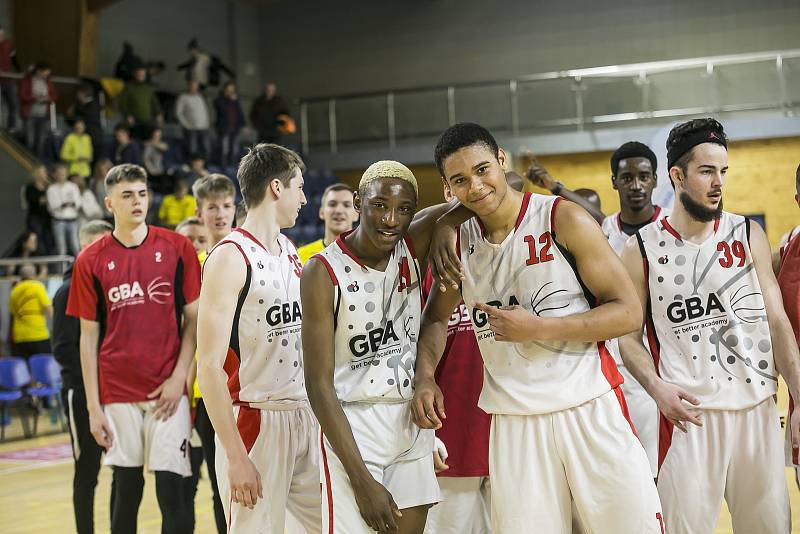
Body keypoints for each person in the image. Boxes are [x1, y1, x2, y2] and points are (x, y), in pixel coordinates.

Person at [413, 123, 662, 533]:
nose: (475, 187)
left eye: (482, 170)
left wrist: (539, 329)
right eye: (460, 181)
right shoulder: (459, 242)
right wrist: (425, 376)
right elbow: (436, 318)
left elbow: (629, 313)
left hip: (588, 408)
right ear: (447, 187)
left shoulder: (562, 218)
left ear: (501, 161)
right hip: (514, 424)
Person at [618, 118, 798, 534]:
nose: (719, 183)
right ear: (677, 176)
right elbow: (627, 338)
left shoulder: (746, 232)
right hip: (688, 418)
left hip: (757, 412)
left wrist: (799, 397)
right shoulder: (640, 248)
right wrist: (657, 389)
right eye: (706, 171)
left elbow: (776, 318)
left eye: (723, 172)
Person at [302, 159, 478, 533]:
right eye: (379, 205)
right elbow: (318, 385)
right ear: (357, 201)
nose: (391, 219)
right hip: (353, 423)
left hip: (410, 420)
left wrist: (447, 222)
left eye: (403, 209)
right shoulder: (321, 271)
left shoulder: (411, 245)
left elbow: (499, 185)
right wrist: (361, 480)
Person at [66, 163, 201, 534]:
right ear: (110, 203)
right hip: (118, 391)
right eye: (127, 195)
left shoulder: (177, 247)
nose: (137, 201)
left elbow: (194, 321)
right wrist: (94, 407)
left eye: (142, 193)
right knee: (127, 489)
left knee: (173, 490)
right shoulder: (90, 260)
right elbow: (88, 339)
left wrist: (179, 379)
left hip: (167, 391)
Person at [197, 144, 321, 533]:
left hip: (305, 414)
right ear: (276, 188)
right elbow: (209, 367)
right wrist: (236, 456)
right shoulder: (229, 258)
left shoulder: (288, 249)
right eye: (299, 187)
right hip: (258, 420)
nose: (304, 198)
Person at [183, 173, 238, 533]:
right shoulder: (193, 266)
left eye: (226, 205)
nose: (219, 213)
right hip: (207, 391)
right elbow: (187, 335)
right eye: (212, 207)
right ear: (199, 211)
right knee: (222, 485)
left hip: (250, 386)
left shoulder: (250, 254)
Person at [52, 219, 113, 534]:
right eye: (94, 246)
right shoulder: (67, 291)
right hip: (81, 393)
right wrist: (93, 384)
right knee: (87, 472)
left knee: (124, 468)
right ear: (82, 249)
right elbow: (63, 350)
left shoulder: (109, 288)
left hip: (114, 392)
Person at [521, 152, 606, 223]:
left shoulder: (608, 231)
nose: (583, 216)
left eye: (588, 209)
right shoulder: (561, 234)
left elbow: (599, 218)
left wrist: (555, 187)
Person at [297, 183, 359, 264]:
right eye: (332, 204)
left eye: (346, 205)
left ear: (356, 214)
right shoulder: (300, 256)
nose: (338, 211)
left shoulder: (368, 256)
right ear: (321, 212)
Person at [9, 262, 52, 360]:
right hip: (38, 335)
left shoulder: (14, 290)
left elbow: (13, 312)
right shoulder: (37, 286)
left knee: (23, 371)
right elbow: (49, 309)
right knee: (42, 369)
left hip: (19, 337)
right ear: (34, 274)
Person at [20, 62, 56, 159]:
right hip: (30, 115)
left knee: (40, 142)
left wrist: (48, 98)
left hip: (43, 115)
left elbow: (54, 95)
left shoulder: (48, 82)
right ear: (39, 70)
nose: (46, 75)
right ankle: (27, 161)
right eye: (45, 72)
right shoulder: (28, 80)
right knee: (29, 141)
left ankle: (38, 163)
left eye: (48, 73)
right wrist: (34, 98)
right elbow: (23, 95)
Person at [117, 65, 162, 140]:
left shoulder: (148, 88)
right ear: (135, 75)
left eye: (142, 75)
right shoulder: (128, 87)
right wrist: (127, 115)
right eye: (139, 75)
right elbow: (122, 103)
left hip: (146, 120)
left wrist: (159, 113)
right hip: (133, 120)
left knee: (147, 140)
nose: (141, 77)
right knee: (134, 141)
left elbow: (155, 102)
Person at [47, 164, 82, 256]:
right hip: (58, 221)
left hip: (72, 220)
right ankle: (62, 270)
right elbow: (51, 207)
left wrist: (72, 204)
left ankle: (81, 269)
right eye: (59, 173)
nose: (61, 175)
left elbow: (78, 203)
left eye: (63, 173)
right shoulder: (51, 189)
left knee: (75, 247)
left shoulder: (73, 187)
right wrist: (62, 205)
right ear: (54, 175)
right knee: (61, 248)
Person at [175, 80, 210, 159]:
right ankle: (191, 166)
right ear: (188, 87)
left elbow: (204, 111)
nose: (194, 88)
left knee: (206, 148)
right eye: (192, 86)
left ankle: (204, 166)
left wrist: (206, 123)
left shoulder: (199, 97)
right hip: (191, 128)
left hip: (203, 127)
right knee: (192, 149)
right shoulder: (183, 97)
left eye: (195, 87)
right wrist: (186, 125)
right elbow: (178, 113)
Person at [213, 81, 245, 166]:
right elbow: (222, 110)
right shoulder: (219, 100)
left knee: (235, 149)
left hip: (235, 128)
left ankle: (232, 166)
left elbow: (239, 113)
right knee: (224, 149)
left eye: (232, 90)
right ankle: (223, 166)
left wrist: (243, 125)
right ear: (224, 90)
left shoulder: (235, 101)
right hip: (224, 129)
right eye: (228, 90)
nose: (230, 92)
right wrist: (231, 100)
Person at [24, 165, 54, 254]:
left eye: (44, 172)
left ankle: (49, 263)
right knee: (38, 240)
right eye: (41, 172)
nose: (43, 174)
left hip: (48, 218)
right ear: (36, 174)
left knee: (49, 240)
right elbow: (33, 200)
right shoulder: (30, 187)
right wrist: (44, 199)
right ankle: (41, 263)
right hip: (35, 218)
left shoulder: (49, 187)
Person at [71, 84, 103, 161]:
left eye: (78, 93)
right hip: (83, 137)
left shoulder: (94, 104)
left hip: (94, 137)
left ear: (83, 93)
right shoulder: (80, 106)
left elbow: (89, 115)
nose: (77, 95)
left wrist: (75, 109)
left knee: (94, 160)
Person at [0, 25, 21, 130]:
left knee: (13, 104)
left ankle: (11, 128)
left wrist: (19, 72)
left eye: (2, 34)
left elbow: (14, 59)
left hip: (8, 80)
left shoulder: (8, 44)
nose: (1, 37)